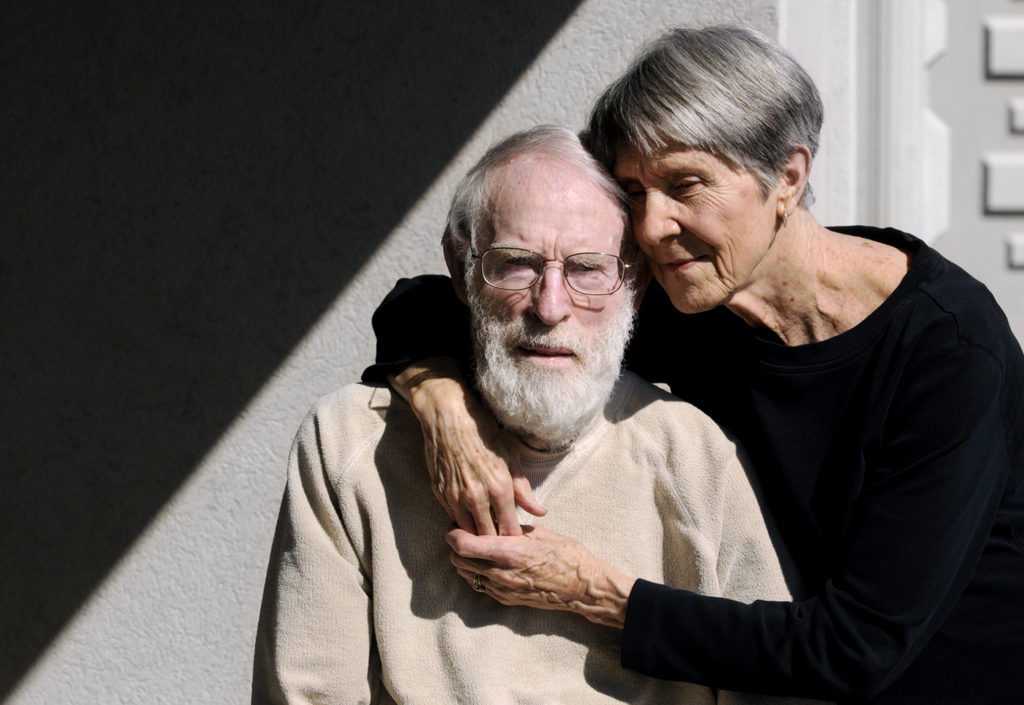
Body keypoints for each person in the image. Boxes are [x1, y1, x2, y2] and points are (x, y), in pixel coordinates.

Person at [362, 25, 1024, 705]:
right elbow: (427, 307)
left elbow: (854, 646)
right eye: (635, 192)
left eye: (685, 184)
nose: (651, 228)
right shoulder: (692, 300)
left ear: (788, 178)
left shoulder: (949, 353)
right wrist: (445, 409)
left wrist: (592, 590)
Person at [253, 125, 822, 704]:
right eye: (517, 264)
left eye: (587, 270)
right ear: (461, 267)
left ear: (636, 282)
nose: (551, 308)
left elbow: (776, 686)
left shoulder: (694, 454)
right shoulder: (350, 442)